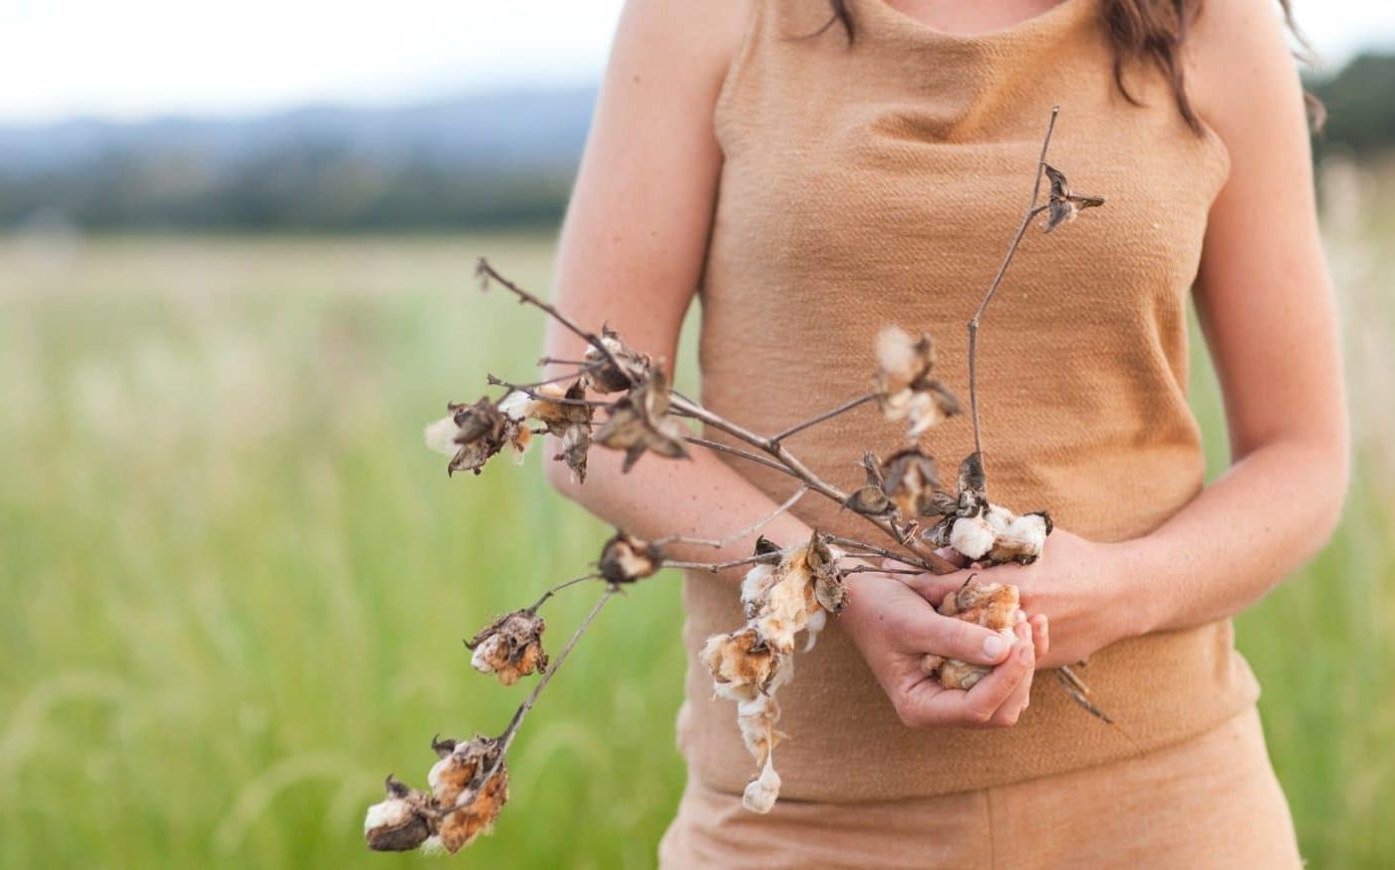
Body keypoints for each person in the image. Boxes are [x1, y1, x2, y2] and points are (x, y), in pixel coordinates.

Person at [540, 0, 1347, 866]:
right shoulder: (703, 17)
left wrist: (1118, 589)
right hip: (802, 823)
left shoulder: (1209, 21)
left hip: (1174, 813)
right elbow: (591, 408)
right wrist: (830, 582)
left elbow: (1302, 455)